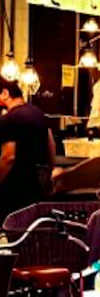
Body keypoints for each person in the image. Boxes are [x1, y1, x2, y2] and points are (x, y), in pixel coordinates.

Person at [0, 78, 54, 222]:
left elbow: (8, 157)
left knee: (10, 234)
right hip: (36, 187)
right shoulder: (37, 112)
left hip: (15, 189)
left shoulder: (9, 119)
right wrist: (48, 175)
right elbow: (51, 145)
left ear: (5, 93)